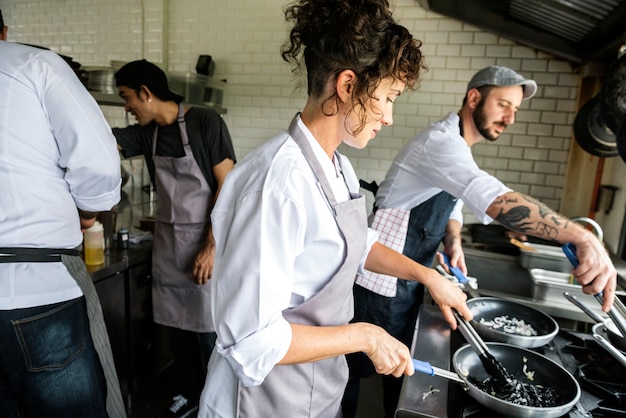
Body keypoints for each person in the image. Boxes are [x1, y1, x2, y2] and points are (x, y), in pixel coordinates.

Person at [197, 1, 473, 417]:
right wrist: (365, 336)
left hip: (315, 389)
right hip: (259, 402)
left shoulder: (337, 165)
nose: (390, 117)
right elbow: (252, 340)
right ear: (348, 85)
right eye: (387, 97)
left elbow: (358, 245)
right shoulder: (278, 184)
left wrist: (427, 276)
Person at [343, 65, 619, 417]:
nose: (509, 117)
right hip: (377, 283)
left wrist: (453, 239)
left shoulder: (457, 144)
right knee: (352, 372)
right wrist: (582, 236)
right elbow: (492, 198)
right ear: (474, 98)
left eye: (515, 110)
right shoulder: (440, 142)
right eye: (503, 104)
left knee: (396, 372)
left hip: (406, 280)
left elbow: (454, 200)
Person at [0, 41, 125, 417]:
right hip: (39, 293)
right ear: (4, 29)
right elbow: (101, 168)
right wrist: (88, 212)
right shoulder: (34, 64)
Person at [112, 59, 236, 418]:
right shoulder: (145, 132)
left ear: (146, 93)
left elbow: (227, 188)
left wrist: (211, 247)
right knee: (176, 328)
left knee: (209, 332)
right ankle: (190, 394)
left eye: (127, 97)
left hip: (205, 244)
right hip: (168, 249)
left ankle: (222, 402)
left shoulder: (204, 122)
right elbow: (96, 143)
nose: (127, 107)